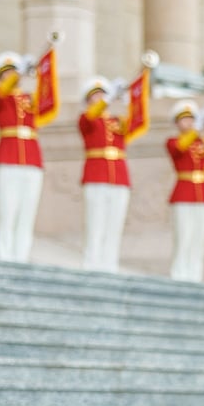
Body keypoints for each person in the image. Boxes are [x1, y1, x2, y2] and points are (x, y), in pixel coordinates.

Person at [0, 51, 43, 262]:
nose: (11, 76)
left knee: (27, 211)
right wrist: (18, 73)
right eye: (7, 73)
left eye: (13, 72)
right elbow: (1, 93)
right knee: (7, 209)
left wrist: (43, 71)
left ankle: (21, 255)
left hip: (32, 159)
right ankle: (4, 253)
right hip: (8, 157)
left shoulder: (29, 100)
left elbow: (49, 100)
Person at [167, 100, 204, 282]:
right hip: (184, 193)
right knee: (183, 236)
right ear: (177, 123)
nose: (189, 123)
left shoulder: (203, 143)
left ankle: (195, 274)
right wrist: (196, 131)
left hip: (203, 194)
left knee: (199, 238)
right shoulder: (173, 141)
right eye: (184, 120)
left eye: (191, 119)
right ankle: (179, 273)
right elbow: (179, 149)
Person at [78, 77, 131, 272]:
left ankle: (110, 264)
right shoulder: (86, 118)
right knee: (95, 222)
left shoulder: (117, 122)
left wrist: (130, 99)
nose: (100, 97)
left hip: (119, 176)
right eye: (96, 95)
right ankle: (91, 262)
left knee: (114, 224)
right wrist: (107, 100)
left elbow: (138, 122)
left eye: (103, 94)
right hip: (96, 175)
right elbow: (92, 116)